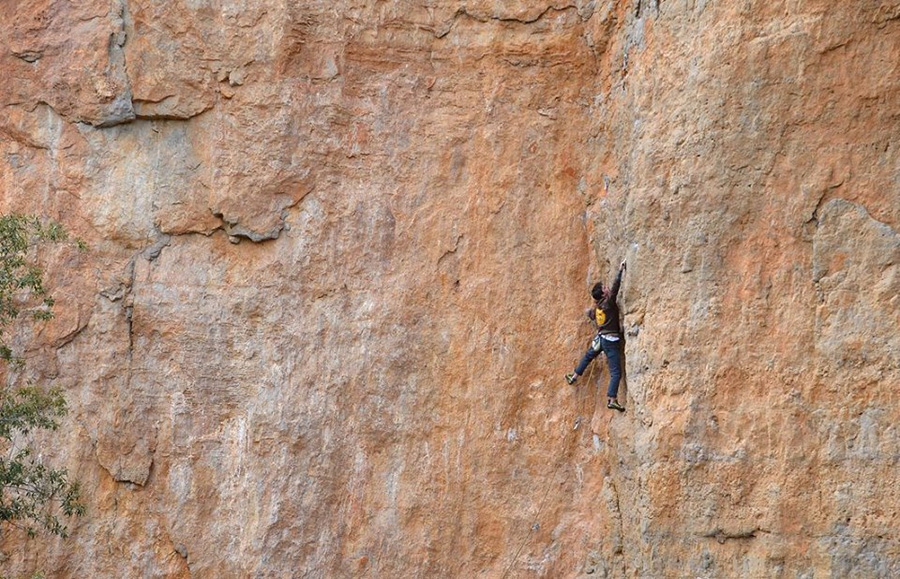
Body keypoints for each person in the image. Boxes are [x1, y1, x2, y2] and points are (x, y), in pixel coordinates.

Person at [565, 260, 627, 412]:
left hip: (600, 339)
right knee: (616, 372)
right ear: (604, 294)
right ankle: (612, 399)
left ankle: (573, 376)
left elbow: (594, 316)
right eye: (604, 288)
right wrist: (620, 271)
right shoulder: (608, 303)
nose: (607, 288)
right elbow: (615, 288)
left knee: (588, 356)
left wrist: (589, 314)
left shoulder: (598, 308)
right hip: (610, 341)